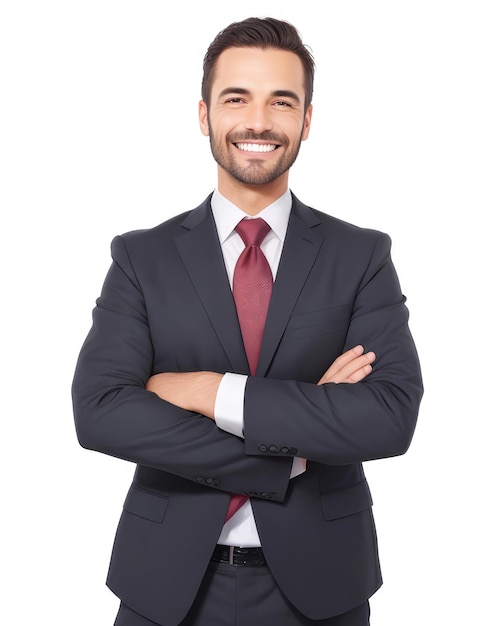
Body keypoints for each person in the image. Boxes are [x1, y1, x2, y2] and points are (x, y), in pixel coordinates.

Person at [72, 16, 423, 626]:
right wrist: (294, 444)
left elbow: (390, 416)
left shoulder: (361, 256)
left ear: (306, 120)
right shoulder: (140, 257)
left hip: (323, 588)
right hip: (166, 583)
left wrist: (212, 392)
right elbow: (101, 410)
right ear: (205, 114)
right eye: (237, 98)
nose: (258, 121)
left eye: (281, 101)